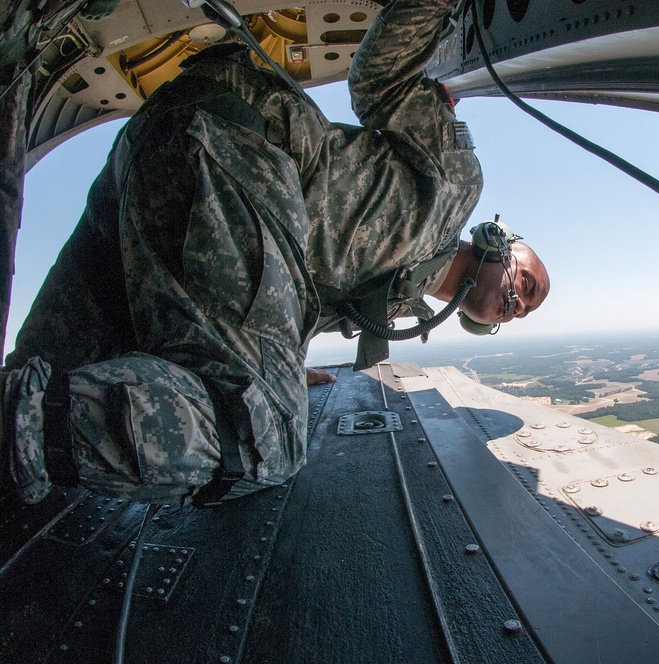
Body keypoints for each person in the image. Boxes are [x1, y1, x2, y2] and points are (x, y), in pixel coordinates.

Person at [0, 0, 549, 507]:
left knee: (56, 366)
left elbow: (291, 279)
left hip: (165, 165)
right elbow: (384, 75)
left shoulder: (395, 306)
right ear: (501, 242)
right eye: (528, 284)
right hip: (238, 146)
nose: (520, 304)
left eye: (525, 311)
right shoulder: (458, 182)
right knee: (264, 438)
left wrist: (281, 359)